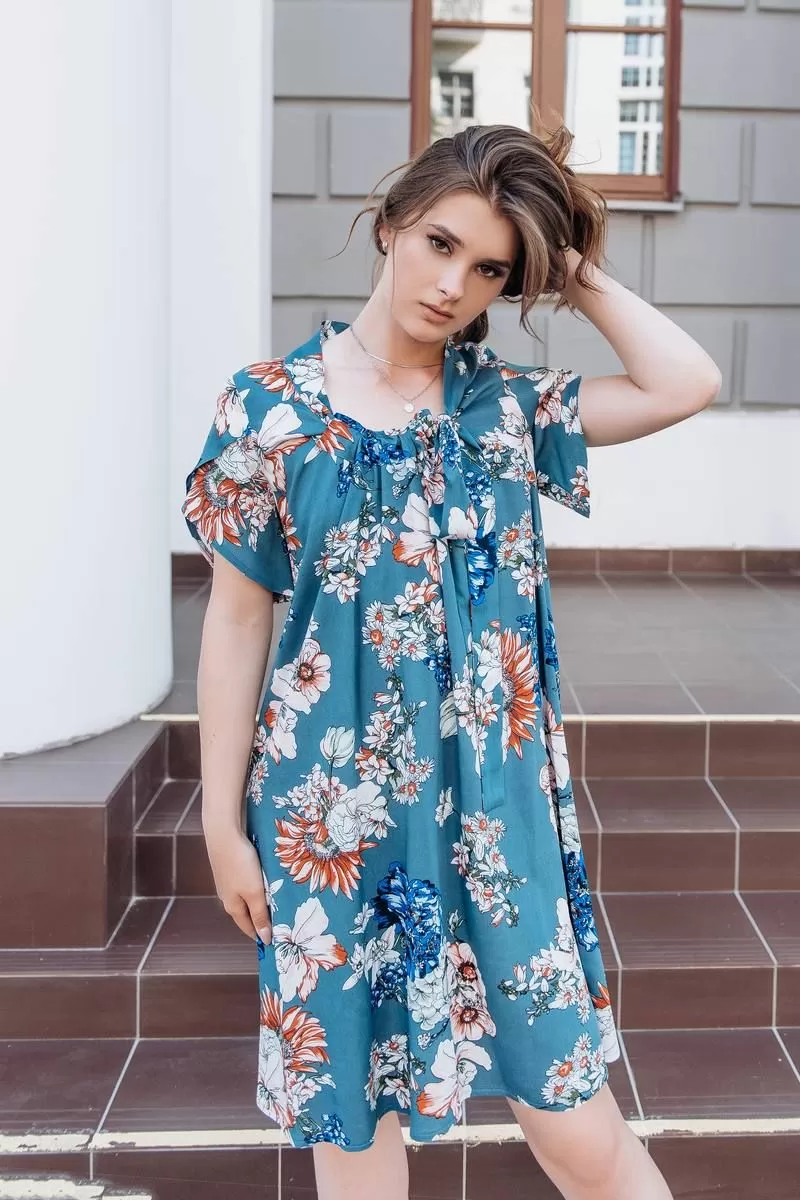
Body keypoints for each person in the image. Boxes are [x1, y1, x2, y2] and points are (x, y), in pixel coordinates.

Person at [181, 120, 721, 1200]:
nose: (452, 286)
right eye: (439, 244)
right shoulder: (269, 408)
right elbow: (237, 623)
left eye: (489, 270)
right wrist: (219, 824)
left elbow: (684, 381)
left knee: (579, 1132)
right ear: (389, 224)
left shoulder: (504, 410)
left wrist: (572, 270)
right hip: (328, 821)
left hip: (497, 817)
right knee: (355, 1137)